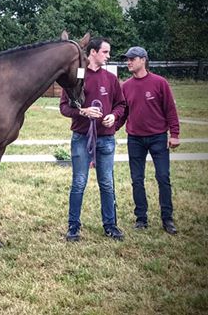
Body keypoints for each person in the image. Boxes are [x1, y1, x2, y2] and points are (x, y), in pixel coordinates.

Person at [60, 37, 126, 241]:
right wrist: (83, 111)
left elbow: (121, 105)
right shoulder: (76, 77)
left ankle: (110, 225)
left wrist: (113, 116)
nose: (108, 56)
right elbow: (64, 107)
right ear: (93, 52)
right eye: (105, 52)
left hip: (106, 139)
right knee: (79, 182)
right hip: (82, 138)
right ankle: (73, 226)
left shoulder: (111, 78)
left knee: (106, 183)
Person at [117, 46, 180, 235]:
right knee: (137, 180)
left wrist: (175, 134)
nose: (128, 62)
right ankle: (141, 218)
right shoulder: (126, 86)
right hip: (135, 139)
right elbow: (124, 113)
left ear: (143, 60)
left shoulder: (160, 83)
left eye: (132, 59)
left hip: (158, 137)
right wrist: (110, 129)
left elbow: (170, 110)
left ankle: (167, 219)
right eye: (127, 59)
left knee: (163, 177)